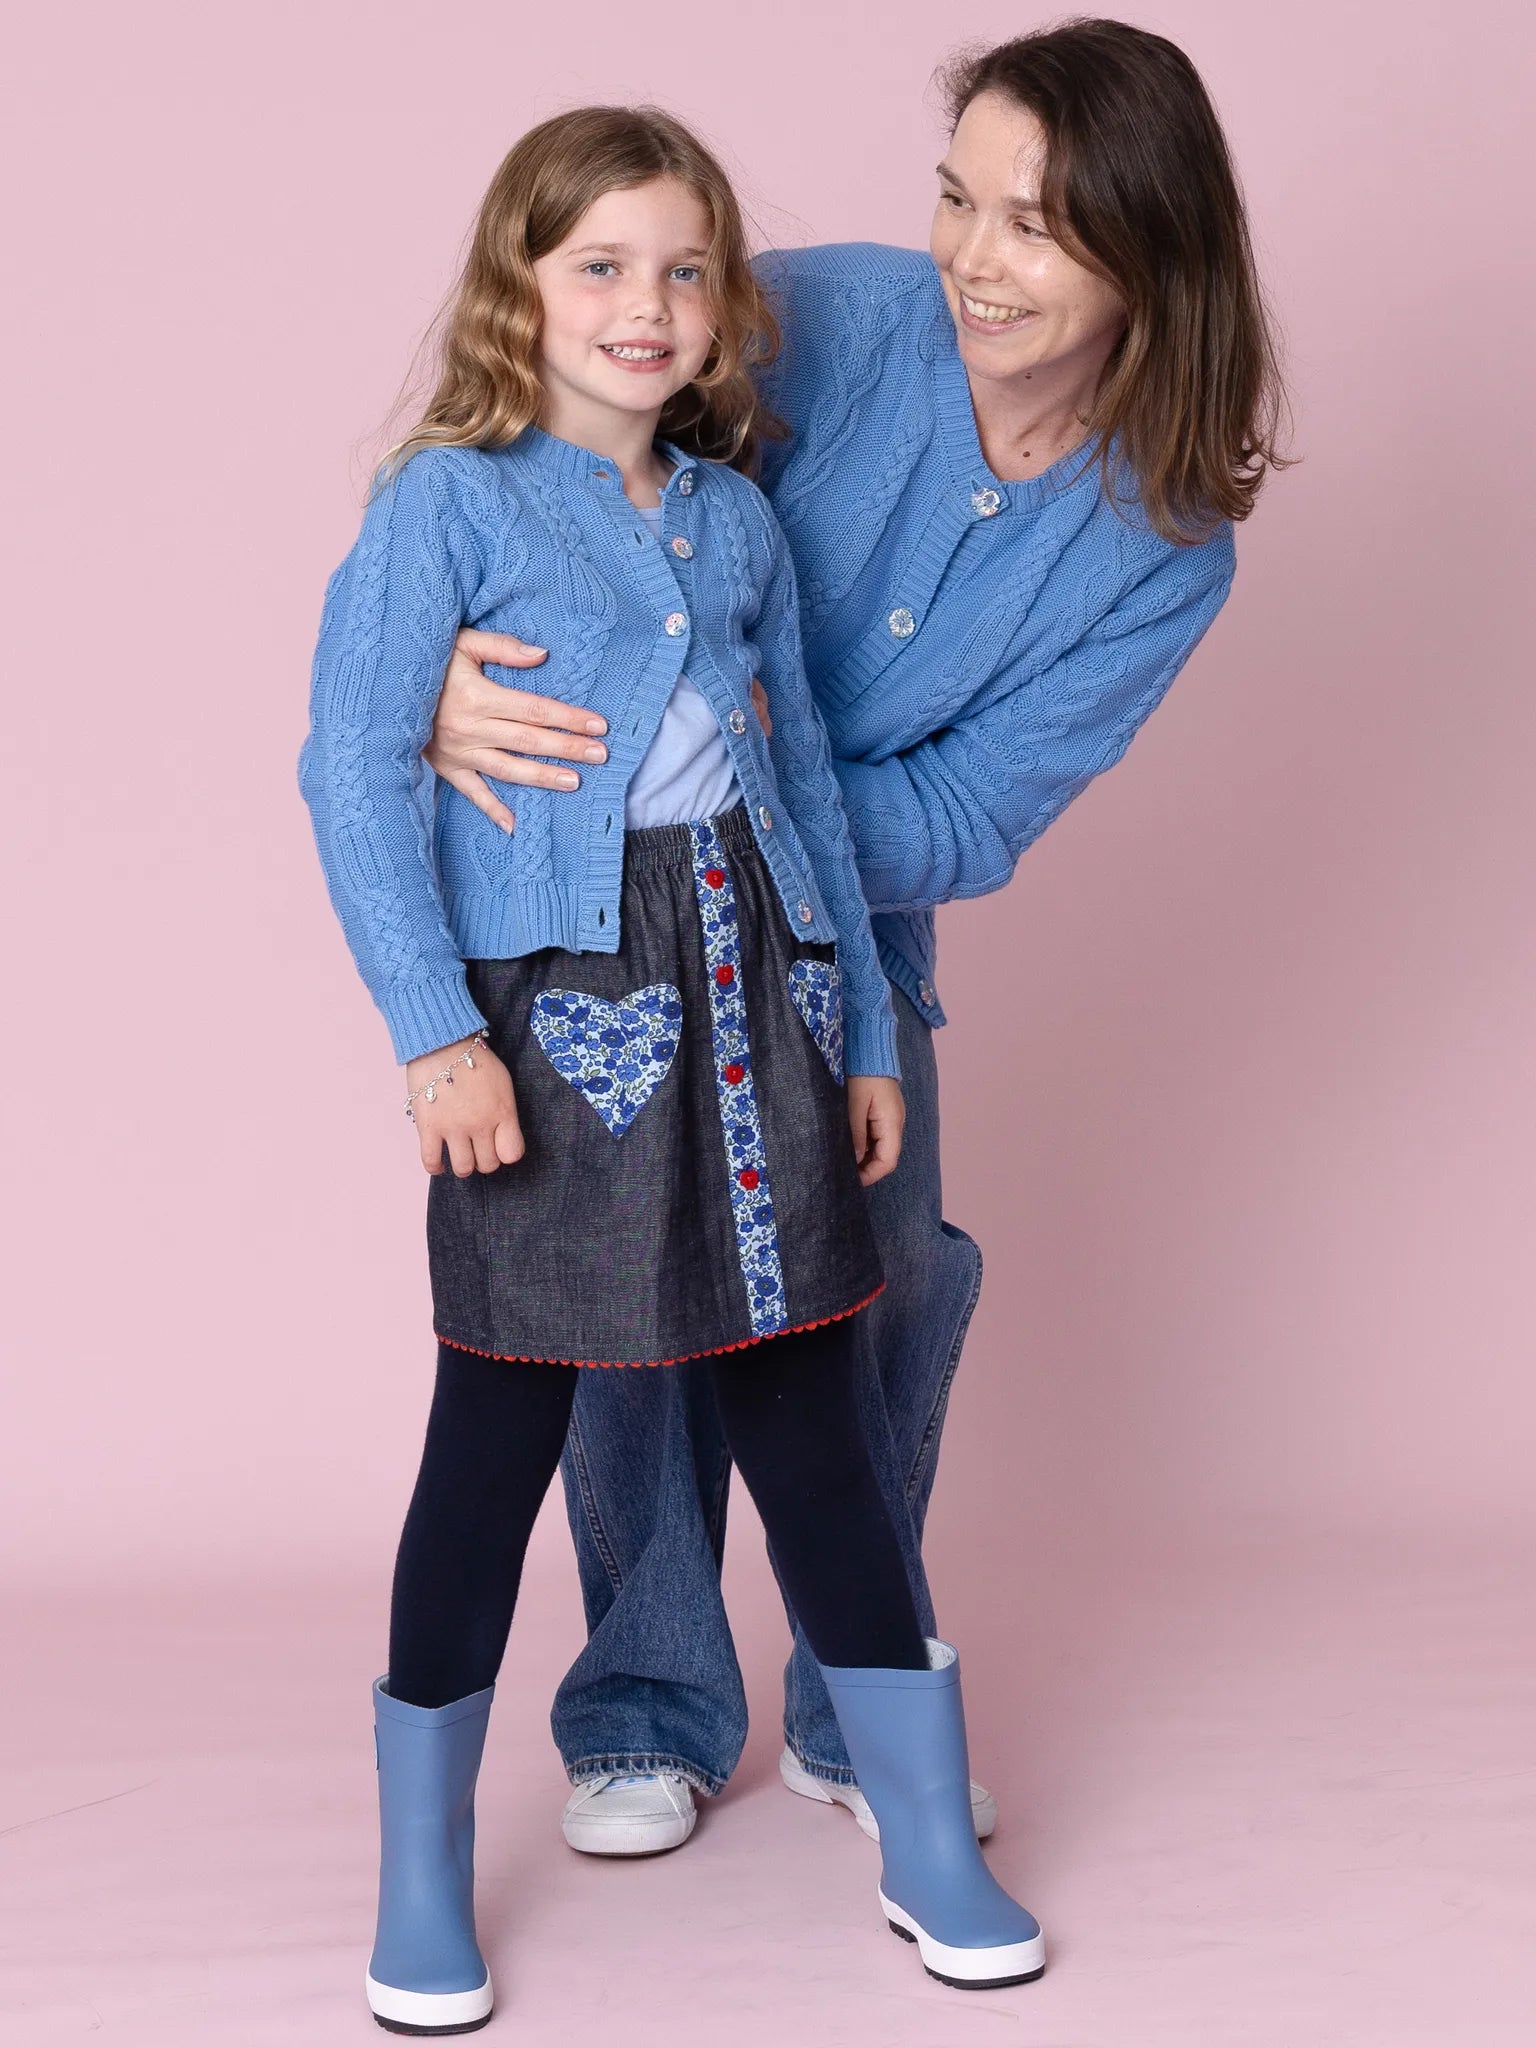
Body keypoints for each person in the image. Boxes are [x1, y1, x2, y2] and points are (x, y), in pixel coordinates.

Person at [420, 20, 1288, 1853]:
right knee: (623, 1303)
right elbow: (514, 444)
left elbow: (973, 811)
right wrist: (429, 689)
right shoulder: (808, 316)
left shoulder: (1165, 543)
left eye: (1037, 223)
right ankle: (646, 1708)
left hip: (845, 949)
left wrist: (759, 842)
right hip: (594, 922)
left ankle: (851, 1704)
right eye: (959, 199)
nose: (977, 256)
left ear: (1156, 246)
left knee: (871, 1299)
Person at [299, 105, 1046, 2034]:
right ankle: (419, 1872)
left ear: (727, 307)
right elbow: (355, 770)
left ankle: (921, 1834)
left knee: (814, 1406)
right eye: (600, 266)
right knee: (500, 1426)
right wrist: (435, 1031)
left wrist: (863, 1029)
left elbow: (796, 785)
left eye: (687, 269)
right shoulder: (446, 505)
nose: (648, 306)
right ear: (519, 289)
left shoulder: (733, 518)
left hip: (760, 989)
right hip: (550, 1016)